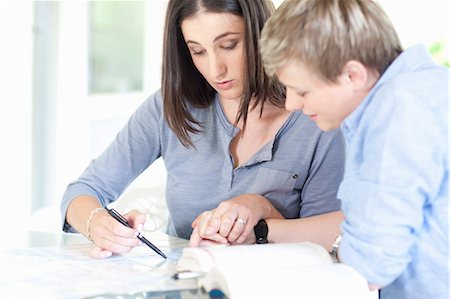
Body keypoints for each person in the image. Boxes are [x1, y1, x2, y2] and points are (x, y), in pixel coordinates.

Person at [60, 0, 345, 259]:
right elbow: (84, 190)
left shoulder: (318, 119)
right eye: (197, 51)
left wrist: (262, 217)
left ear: (263, 35)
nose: (215, 69)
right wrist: (98, 223)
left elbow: (332, 245)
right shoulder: (169, 107)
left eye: (230, 45)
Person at [259, 0, 449, 298]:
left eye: (302, 91)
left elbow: (372, 266)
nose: (291, 104)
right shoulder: (428, 87)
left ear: (353, 76)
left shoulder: (397, 111)